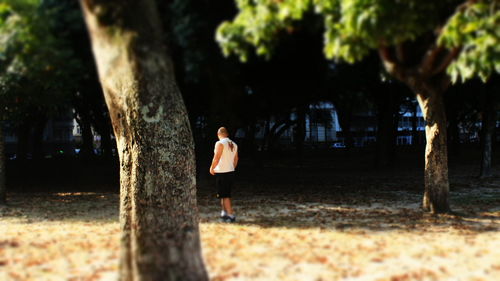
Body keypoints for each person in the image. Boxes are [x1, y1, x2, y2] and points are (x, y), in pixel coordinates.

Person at [209, 127, 238, 223]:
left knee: (225, 195)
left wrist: (212, 167)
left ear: (218, 134)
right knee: (223, 193)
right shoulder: (234, 144)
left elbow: (216, 157)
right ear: (227, 134)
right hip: (230, 172)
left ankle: (231, 215)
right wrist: (231, 167)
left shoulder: (220, 143)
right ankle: (224, 212)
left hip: (222, 172)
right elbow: (236, 159)